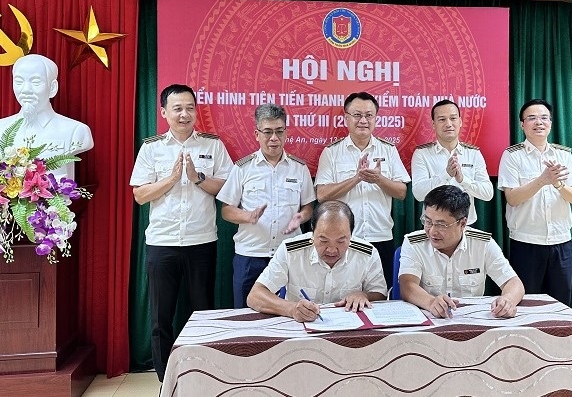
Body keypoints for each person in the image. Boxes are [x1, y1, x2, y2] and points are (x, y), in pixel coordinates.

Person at [129, 84, 233, 382]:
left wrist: (196, 178)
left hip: (202, 242)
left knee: (203, 311)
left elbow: (227, 187)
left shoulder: (213, 146)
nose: (184, 114)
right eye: (177, 109)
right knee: (161, 316)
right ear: (164, 112)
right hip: (162, 242)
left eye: (189, 108)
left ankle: (205, 372)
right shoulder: (151, 148)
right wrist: (172, 179)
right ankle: (166, 377)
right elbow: (140, 194)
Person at [217, 103, 316, 308]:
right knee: (245, 315)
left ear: (286, 132)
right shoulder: (243, 168)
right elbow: (226, 209)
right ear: (257, 134)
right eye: (268, 132)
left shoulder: (299, 168)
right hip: (250, 255)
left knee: (290, 314)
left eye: (279, 131)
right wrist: (248, 216)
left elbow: (308, 206)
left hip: (288, 254)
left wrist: (301, 217)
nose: (274, 138)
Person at [314, 92, 410, 286]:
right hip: (345, 240)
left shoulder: (388, 150)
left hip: (381, 236)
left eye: (369, 115)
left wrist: (379, 179)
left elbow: (401, 192)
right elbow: (322, 195)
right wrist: (356, 178)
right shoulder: (331, 152)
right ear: (346, 118)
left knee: (381, 295)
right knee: (344, 293)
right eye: (357, 115)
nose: (363, 121)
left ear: (376, 118)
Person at [497, 99, 572, 306]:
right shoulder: (512, 155)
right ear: (522, 124)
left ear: (550, 123)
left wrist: (558, 184)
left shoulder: (563, 155)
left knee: (560, 305)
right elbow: (512, 198)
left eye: (544, 118)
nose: (539, 122)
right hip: (526, 243)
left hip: (561, 242)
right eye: (532, 118)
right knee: (527, 304)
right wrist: (542, 180)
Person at [247, 200, 388, 322]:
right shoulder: (291, 251)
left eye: (341, 241)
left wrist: (363, 295)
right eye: (323, 240)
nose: (332, 250)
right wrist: (291, 309)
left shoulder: (367, 254)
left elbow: (380, 294)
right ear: (312, 231)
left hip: (350, 330)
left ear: (351, 234)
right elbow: (255, 296)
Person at [399, 185, 525, 318]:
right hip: (429, 318)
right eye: (428, 221)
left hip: (472, 320)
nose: (432, 231)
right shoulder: (414, 243)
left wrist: (508, 300)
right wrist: (431, 302)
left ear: (463, 223)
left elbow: (513, 282)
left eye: (441, 225)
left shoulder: (482, 243)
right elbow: (407, 286)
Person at [0, 54, 93, 179]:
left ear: (53, 88)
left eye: (36, 82)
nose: (26, 90)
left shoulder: (76, 131)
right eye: (19, 81)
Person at [411, 99, 493, 225]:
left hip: (465, 226)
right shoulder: (422, 154)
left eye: (453, 118)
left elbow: (488, 193)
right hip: (433, 227)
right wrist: (446, 175)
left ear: (460, 122)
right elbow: (419, 194)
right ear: (433, 124)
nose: (448, 124)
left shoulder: (473, 154)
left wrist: (462, 180)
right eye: (442, 119)